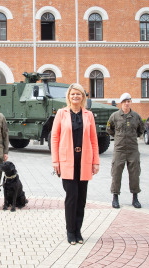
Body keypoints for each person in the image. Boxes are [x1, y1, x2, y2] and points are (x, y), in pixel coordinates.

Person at [51, 83, 100, 245]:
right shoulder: (61, 113)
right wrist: (55, 160)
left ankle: (78, 230)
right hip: (67, 161)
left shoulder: (89, 115)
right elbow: (55, 138)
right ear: (69, 97)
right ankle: (70, 231)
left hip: (84, 160)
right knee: (71, 197)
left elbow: (93, 140)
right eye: (73, 94)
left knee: (81, 198)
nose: (75, 97)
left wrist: (96, 162)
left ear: (83, 97)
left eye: (78, 94)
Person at [106, 93, 144, 209]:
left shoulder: (136, 116)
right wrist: (119, 137)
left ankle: (135, 198)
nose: (127, 103)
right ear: (121, 103)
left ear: (131, 102)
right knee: (116, 173)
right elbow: (109, 129)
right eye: (125, 102)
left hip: (133, 149)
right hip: (119, 149)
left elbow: (140, 130)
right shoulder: (115, 116)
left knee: (135, 174)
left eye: (129, 101)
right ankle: (115, 197)